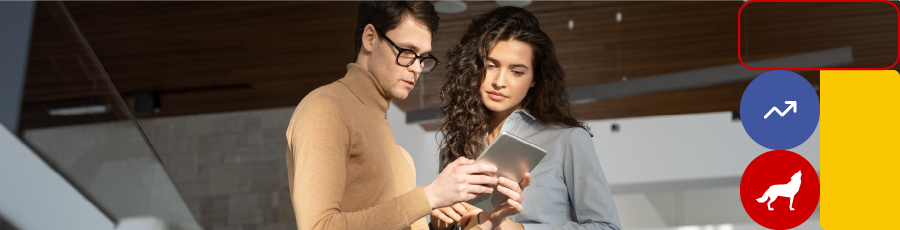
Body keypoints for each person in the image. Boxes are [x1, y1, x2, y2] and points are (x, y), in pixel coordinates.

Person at [285, 1, 502, 230]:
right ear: (370, 38)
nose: (417, 68)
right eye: (408, 52)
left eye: (423, 57)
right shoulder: (326, 108)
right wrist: (428, 197)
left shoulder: (398, 153)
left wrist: (483, 223)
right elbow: (318, 226)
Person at [431, 6, 622, 230]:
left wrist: (521, 229)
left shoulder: (568, 140)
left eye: (517, 71)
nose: (499, 81)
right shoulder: (456, 147)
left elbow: (607, 227)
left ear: (534, 79)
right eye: (490, 66)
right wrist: (436, 223)